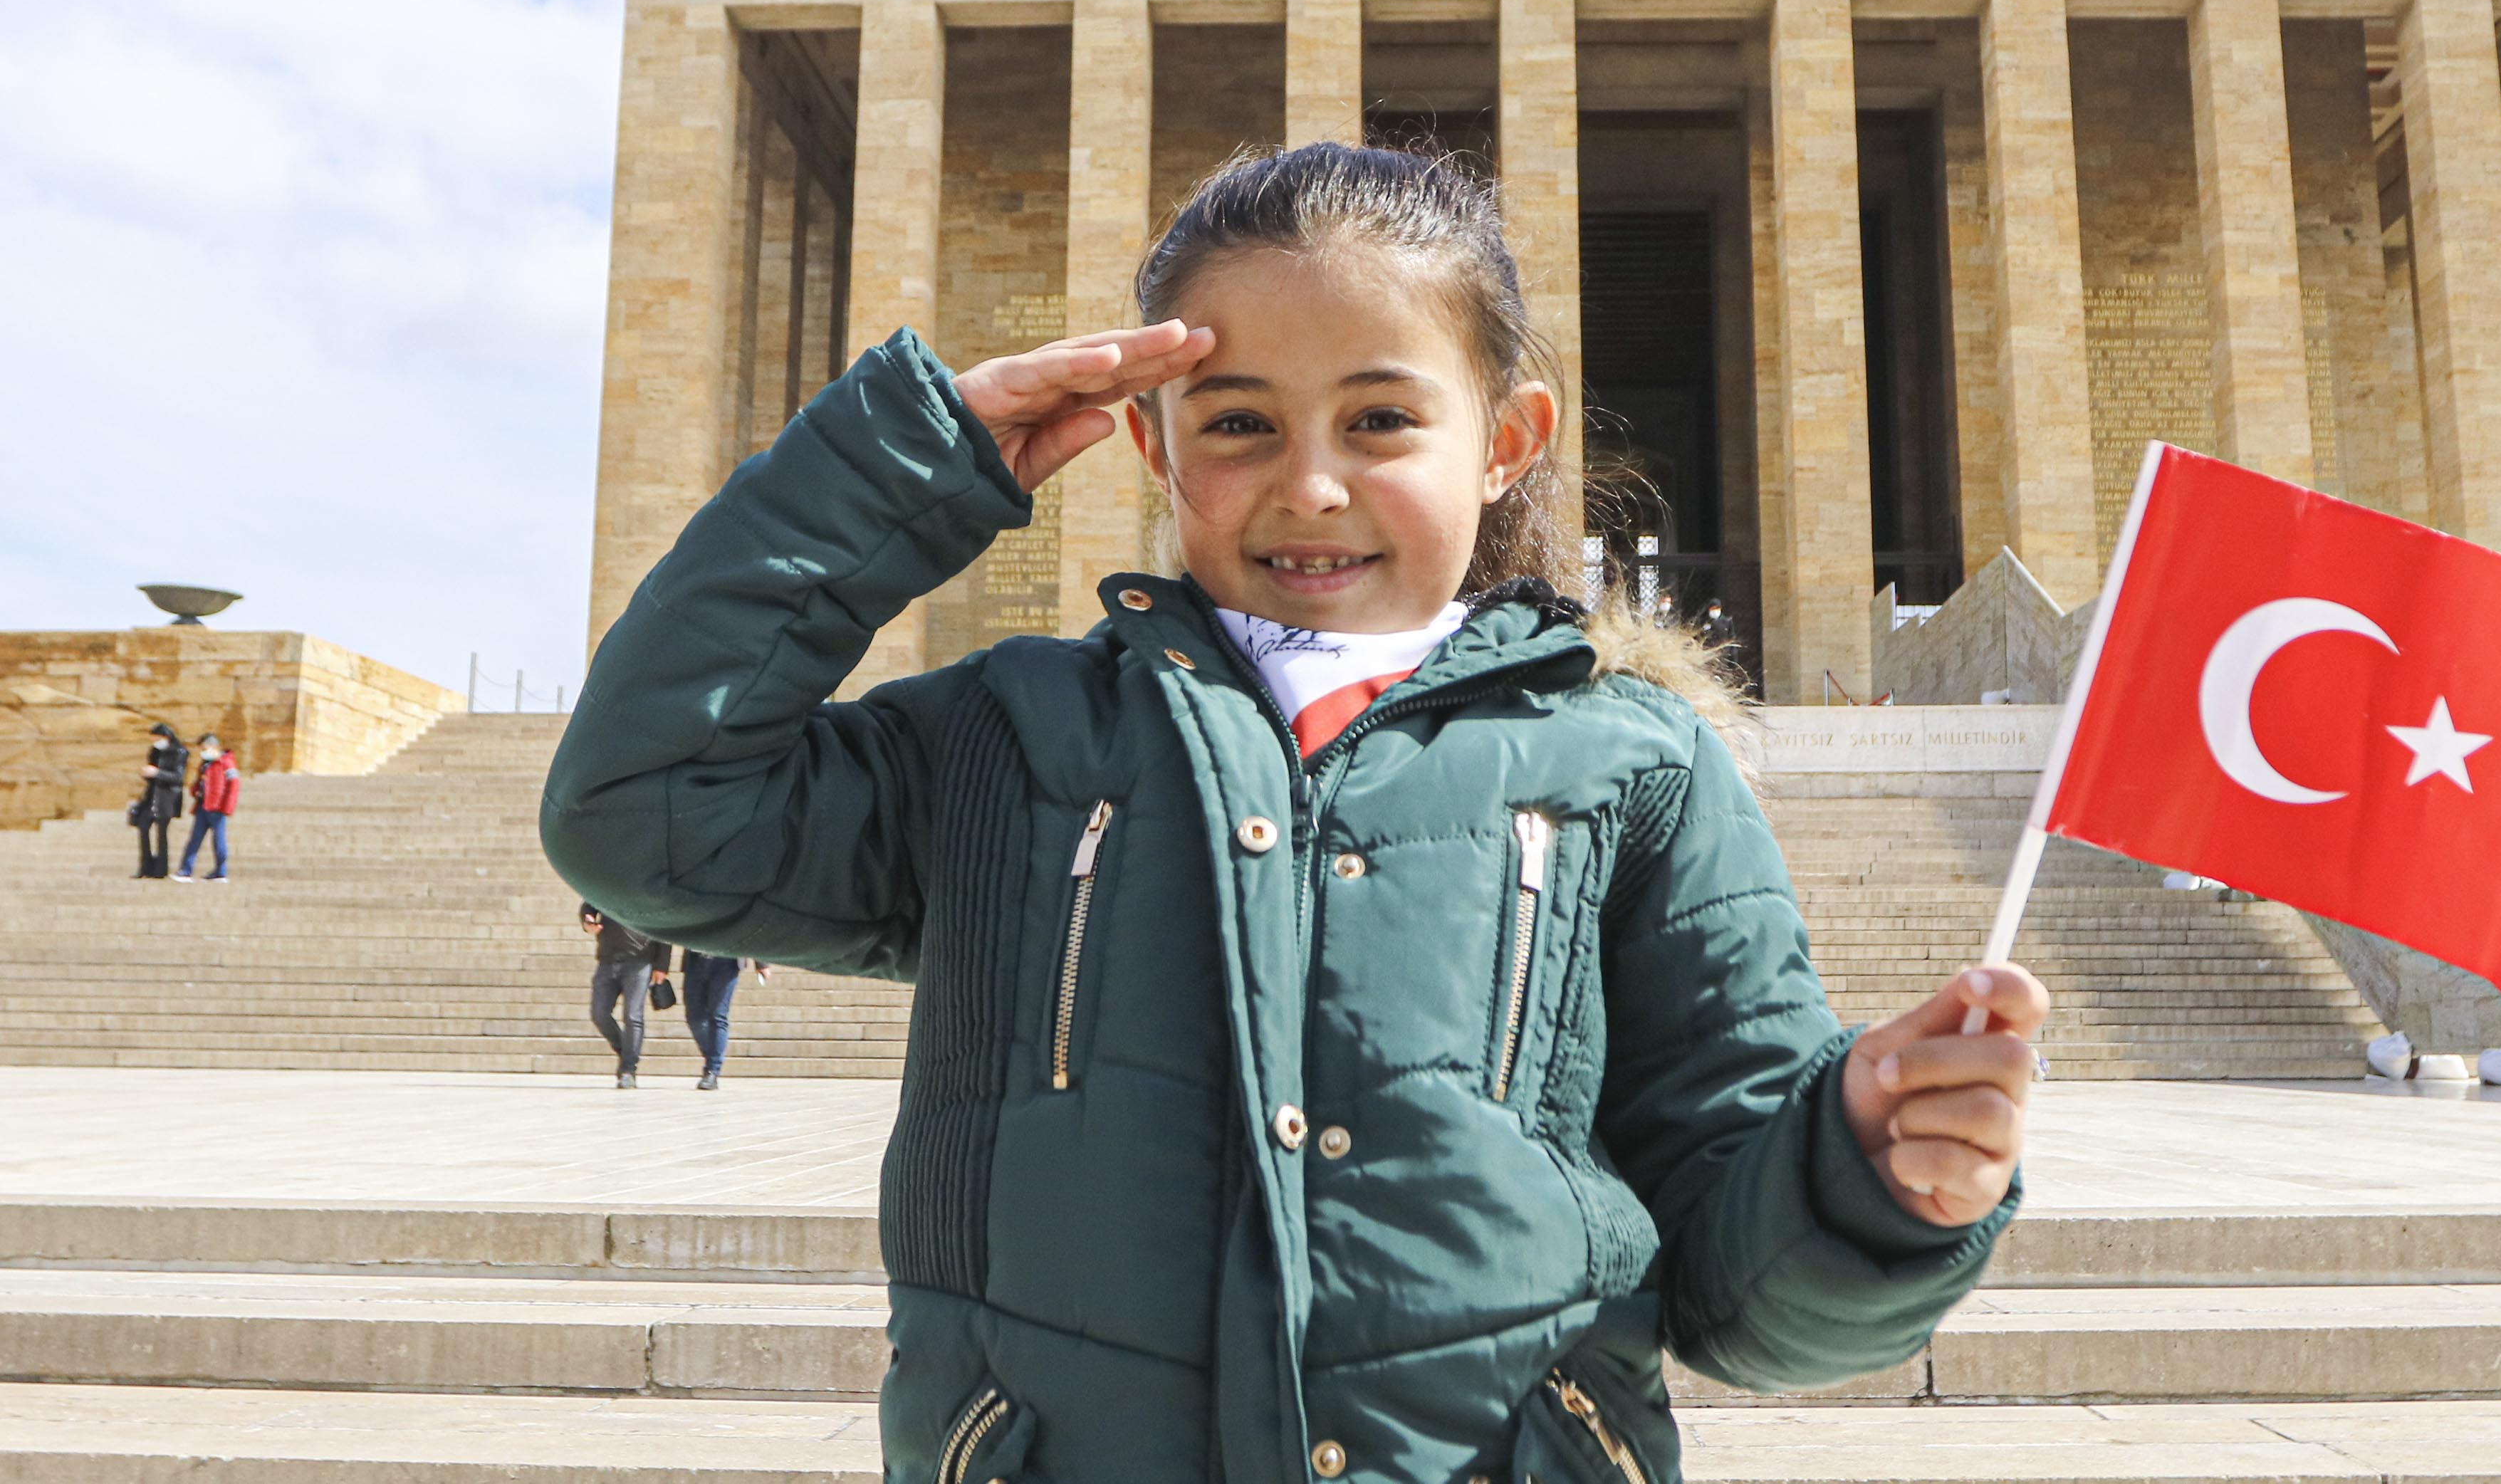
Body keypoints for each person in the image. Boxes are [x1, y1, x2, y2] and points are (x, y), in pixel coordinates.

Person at [544, 144, 2045, 1484]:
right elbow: (646, 812)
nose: (1309, 484)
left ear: (1507, 437)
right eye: (1239, 422)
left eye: (1382, 417)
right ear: (1151, 442)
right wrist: (899, 473)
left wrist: (1860, 1178)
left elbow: (1737, 1294)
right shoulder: (1014, 739)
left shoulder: (1624, 764)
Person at [578, 902, 670, 1087]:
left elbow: (665, 925)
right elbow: (589, 904)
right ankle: (626, 1050)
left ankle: (628, 1069)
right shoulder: (609, 884)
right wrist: (587, 920)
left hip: (640, 961)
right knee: (599, 1014)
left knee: (633, 1016)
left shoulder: (650, 891)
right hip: (607, 959)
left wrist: (662, 965)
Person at [679, 946, 768, 1090]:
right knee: (694, 1017)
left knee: (718, 1014)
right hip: (696, 959)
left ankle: (712, 1071)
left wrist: (761, 963)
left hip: (727, 961)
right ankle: (713, 1057)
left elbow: (750, 927)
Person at [174, 735, 238, 882]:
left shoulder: (227, 763)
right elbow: (199, 782)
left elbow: (233, 786)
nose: (202, 752)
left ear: (213, 746)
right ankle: (186, 870)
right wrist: (195, 790)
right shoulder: (206, 764)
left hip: (217, 808)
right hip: (203, 806)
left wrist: (227, 807)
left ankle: (221, 871)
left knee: (219, 840)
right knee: (194, 839)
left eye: (204, 749)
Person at [132, 723, 187, 879]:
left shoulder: (179, 752)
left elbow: (178, 777)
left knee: (161, 834)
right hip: (151, 796)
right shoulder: (155, 752)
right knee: (143, 827)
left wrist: (157, 773)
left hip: (166, 798)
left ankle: (160, 869)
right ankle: (145, 866)